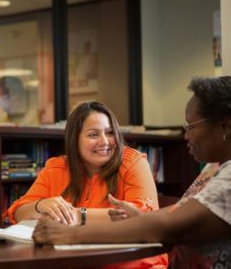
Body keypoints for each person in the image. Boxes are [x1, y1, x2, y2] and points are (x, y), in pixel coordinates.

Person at [33, 76, 231, 268]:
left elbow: (170, 227)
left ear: (225, 125)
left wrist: (68, 235)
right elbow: (177, 216)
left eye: (191, 126)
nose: (185, 135)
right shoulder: (215, 168)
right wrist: (139, 219)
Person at [6, 101, 167, 268]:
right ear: (74, 139)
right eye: (93, 135)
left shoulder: (133, 162)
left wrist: (79, 215)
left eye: (110, 133)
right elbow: (18, 212)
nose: (105, 142)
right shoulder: (56, 167)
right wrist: (41, 205)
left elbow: (142, 215)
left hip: (135, 264)